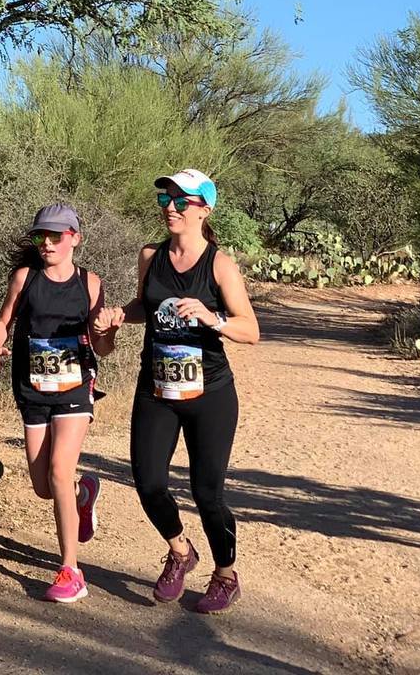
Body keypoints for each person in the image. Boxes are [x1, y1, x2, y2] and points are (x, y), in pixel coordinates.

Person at [94, 169, 259, 614]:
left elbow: (251, 330)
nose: (170, 207)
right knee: (148, 481)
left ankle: (226, 575)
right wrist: (119, 315)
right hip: (157, 386)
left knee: (208, 493)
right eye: (166, 199)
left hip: (210, 393)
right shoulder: (151, 256)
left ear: (204, 210)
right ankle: (180, 551)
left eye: (181, 201)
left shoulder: (219, 264)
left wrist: (212, 318)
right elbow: (145, 307)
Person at [0, 203, 108, 604]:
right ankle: (82, 495)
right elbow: (3, 321)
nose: (47, 243)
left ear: (75, 238)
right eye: (41, 235)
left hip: (75, 388)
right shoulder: (25, 278)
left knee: (58, 470)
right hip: (33, 389)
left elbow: (103, 346)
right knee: (44, 487)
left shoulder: (90, 284)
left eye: (56, 236)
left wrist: (108, 330)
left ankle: (71, 571)